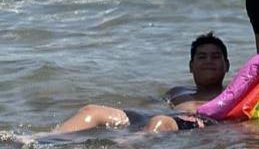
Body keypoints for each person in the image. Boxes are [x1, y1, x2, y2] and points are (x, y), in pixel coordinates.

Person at [50, 32, 229, 134]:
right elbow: (149, 105)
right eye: (201, 57)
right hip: (151, 117)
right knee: (92, 110)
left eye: (215, 57)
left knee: (159, 122)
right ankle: (46, 138)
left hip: (187, 123)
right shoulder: (177, 91)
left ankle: (125, 147)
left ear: (226, 65)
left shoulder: (232, 94)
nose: (208, 61)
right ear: (191, 66)